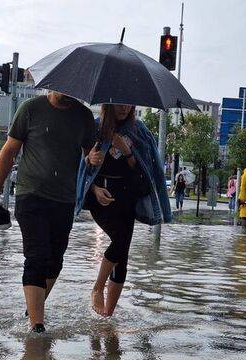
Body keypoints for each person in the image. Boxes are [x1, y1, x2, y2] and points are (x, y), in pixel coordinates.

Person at [0, 91, 99, 333]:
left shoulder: (84, 116)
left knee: (55, 261)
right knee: (37, 256)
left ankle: (32, 308)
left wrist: (95, 159)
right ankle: (37, 327)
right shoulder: (30, 109)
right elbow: (8, 151)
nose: (65, 94)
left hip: (65, 199)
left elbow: (90, 156)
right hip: (31, 195)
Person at [75, 104, 171, 318]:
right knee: (118, 241)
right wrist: (92, 175)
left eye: (129, 104)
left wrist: (126, 151)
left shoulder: (140, 131)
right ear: (108, 104)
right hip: (101, 197)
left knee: (122, 255)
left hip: (128, 198)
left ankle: (107, 316)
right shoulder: (95, 129)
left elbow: (144, 174)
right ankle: (98, 288)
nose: (124, 108)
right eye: (120, 103)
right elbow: (81, 167)